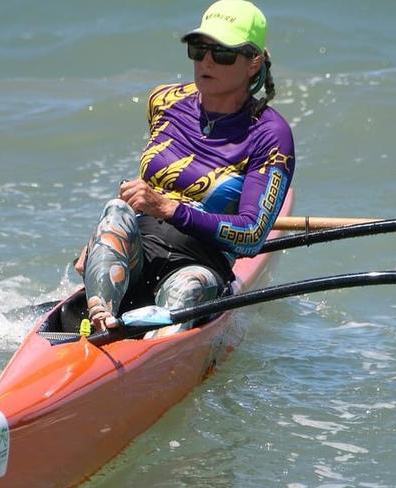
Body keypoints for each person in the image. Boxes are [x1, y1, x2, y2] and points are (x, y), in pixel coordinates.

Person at [74, 0, 295, 338]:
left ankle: (148, 352)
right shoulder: (164, 101)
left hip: (200, 264)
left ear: (253, 63)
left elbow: (252, 235)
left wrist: (169, 208)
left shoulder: (270, 134)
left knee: (187, 290)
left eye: (222, 53)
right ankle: (99, 317)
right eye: (199, 48)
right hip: (140, 250)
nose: (206, 61)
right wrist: (103, 240)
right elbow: (139, 195)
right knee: (116, 209)